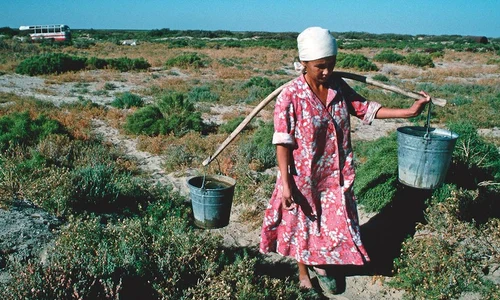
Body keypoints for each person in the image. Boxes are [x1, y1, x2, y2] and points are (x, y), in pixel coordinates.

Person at [259, 26, 431, 293]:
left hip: (336, 175)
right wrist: (285, 183)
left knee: (333, 224)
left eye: (331, 65)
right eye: (320, 67)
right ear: (304, 63)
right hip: (303, 176)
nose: (327, 72)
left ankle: (324, 262)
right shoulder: (290, 96)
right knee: (302, 225)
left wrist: (408, 113)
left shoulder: (338, 87)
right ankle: (304, 271)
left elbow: (365, 109)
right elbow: (282, 141)